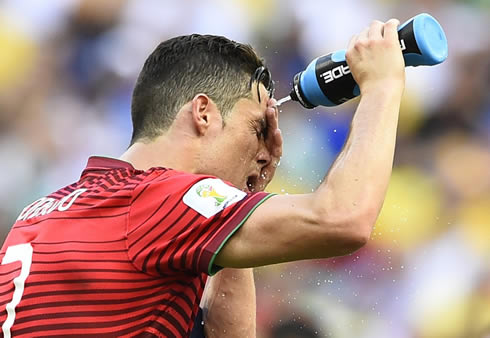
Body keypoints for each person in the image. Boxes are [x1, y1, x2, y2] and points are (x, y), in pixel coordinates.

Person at [0, 17, 405, 337]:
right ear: (204, 113)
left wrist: (244, 195)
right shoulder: (161, 199)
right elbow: (342, 219)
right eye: (256, 128)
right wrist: (383, 86)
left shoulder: (43, 210)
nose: (263, 150)